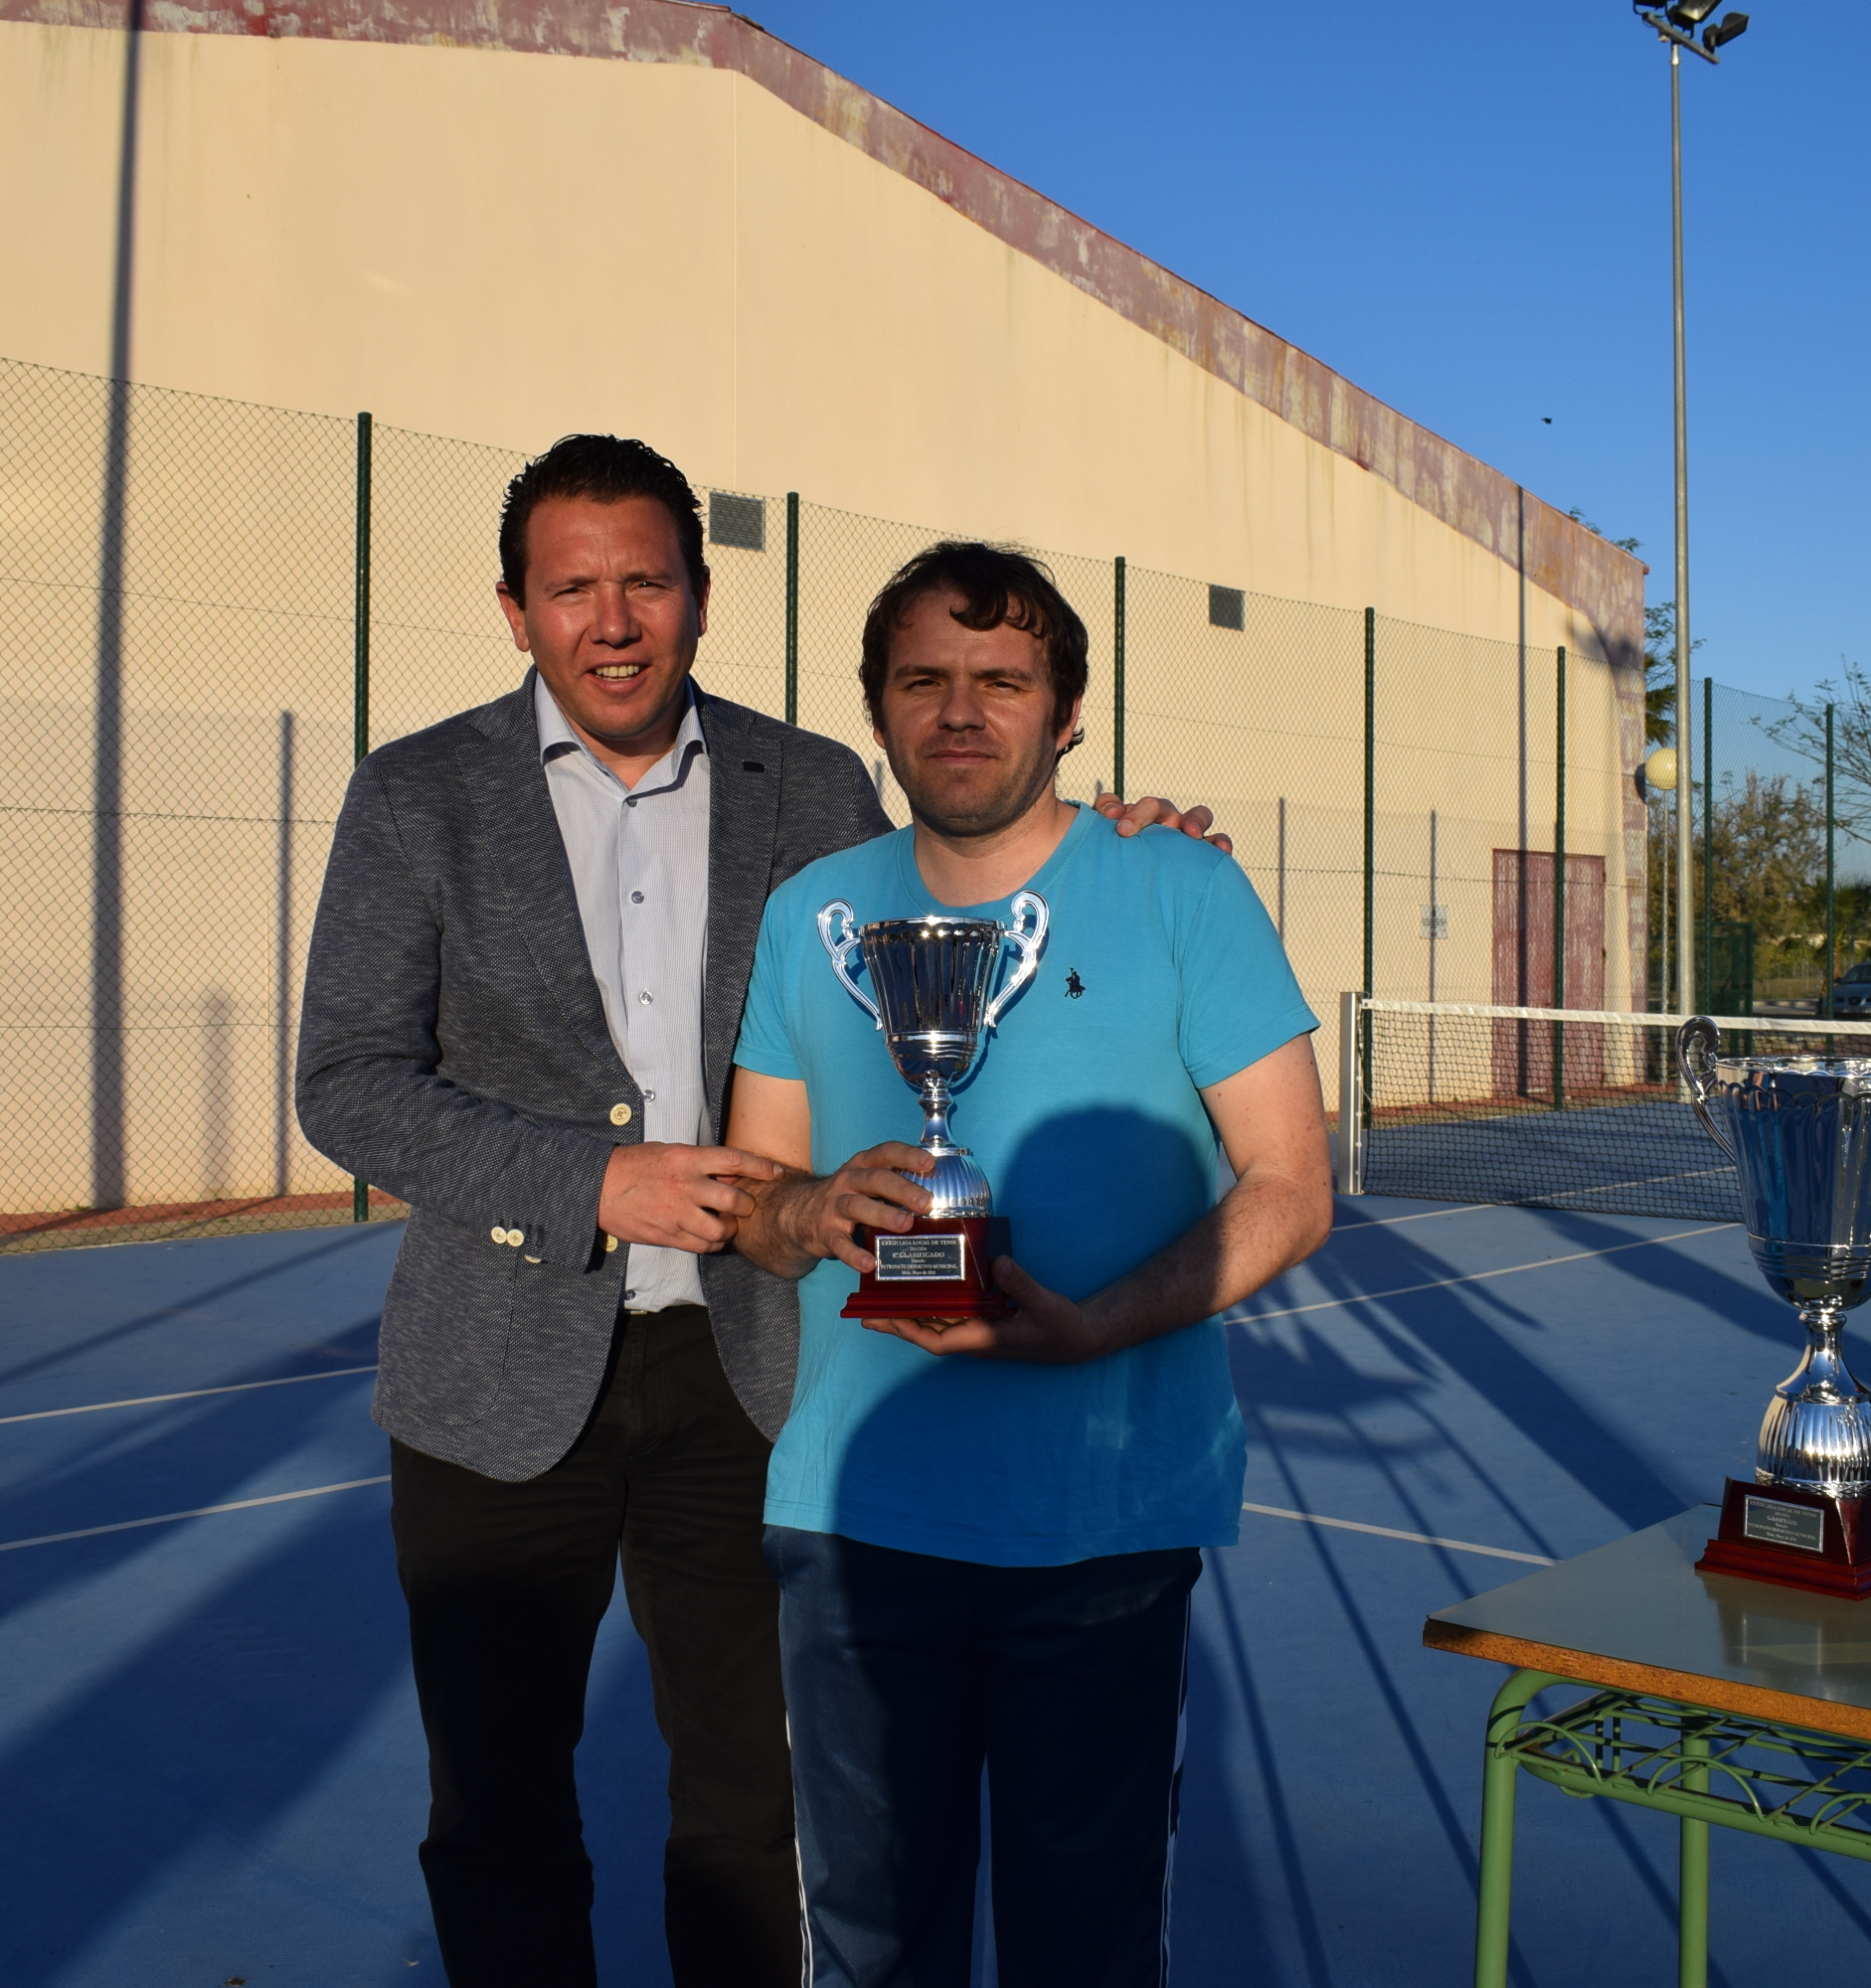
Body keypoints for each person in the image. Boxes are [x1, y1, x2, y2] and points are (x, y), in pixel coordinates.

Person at [292, 439, 1222, 1988]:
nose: (612, 621)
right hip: (490, 1384)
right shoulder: (414, 793)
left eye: (644, 582)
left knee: (753, 1809)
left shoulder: (815, 786)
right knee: (499, 1811)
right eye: (572, 588)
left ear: (701, 598)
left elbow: (967, 899)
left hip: (748, 1383)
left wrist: (1127, 855)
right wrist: (592, 1181)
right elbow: (350, 1081)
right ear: (515, 611)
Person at [726, 541, 1331, 1986]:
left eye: (1002, 681)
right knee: (870, 1950)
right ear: (875, 708)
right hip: (857, 1526)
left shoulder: (1180, 889)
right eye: (923, 679)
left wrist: (1094, 1327)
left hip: (1102, 1530)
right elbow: (751, 1192)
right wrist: (810, 1210)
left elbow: (1291, 1188)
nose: (960, 711)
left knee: (1087, 1951)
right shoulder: (811, 912)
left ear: (1065, 715)